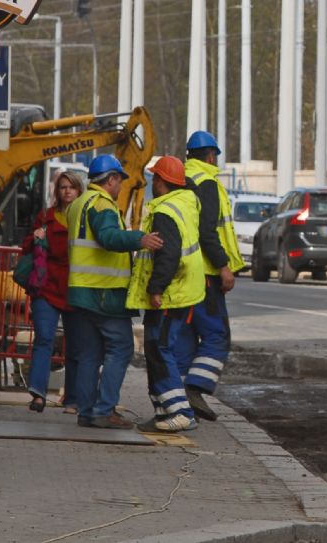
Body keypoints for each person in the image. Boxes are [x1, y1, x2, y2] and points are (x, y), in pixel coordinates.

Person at [66, 153, 162, 429]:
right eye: (119, 180)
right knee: (121, 348)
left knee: (89, 354)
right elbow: (109, 238)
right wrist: (140, 239)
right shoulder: (102, 204)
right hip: (104, 293)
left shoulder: (79, 204)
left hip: (81, 290)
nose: (121, 186)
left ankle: (86, 411)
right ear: (110, 179)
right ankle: (104, 409)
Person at [126, 156, 207, 432]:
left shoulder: (166, 211)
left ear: (162, 182)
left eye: (155, 178)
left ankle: (181, 411)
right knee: (156, 349)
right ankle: (163, 411)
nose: (153, 182)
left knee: (159, 350)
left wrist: (156, 288)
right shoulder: (187, 201)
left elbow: (168, 254)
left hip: (172, 292)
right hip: (184, 288)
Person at [178, 131, 242, 421]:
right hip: (205, 273)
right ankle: (195, 387)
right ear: (212, 156)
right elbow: (208, 232)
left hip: (181, 273)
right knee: (217, 335)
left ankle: (177, 398)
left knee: (187, 336)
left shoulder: (179, 182)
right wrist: (223, 266)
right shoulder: (208, 184)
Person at [20, 169, 83, 413]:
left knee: (76, 345)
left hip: (76, 287)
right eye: (63, 187)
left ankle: (73, 398)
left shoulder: (85, 217)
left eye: (71, 187)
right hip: (46, 287)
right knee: (44, 339)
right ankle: (38, 394)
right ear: (57, 191)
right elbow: (27, 246)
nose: (67, 191)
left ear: (79, 190)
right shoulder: (46, 217)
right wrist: (35, 237)